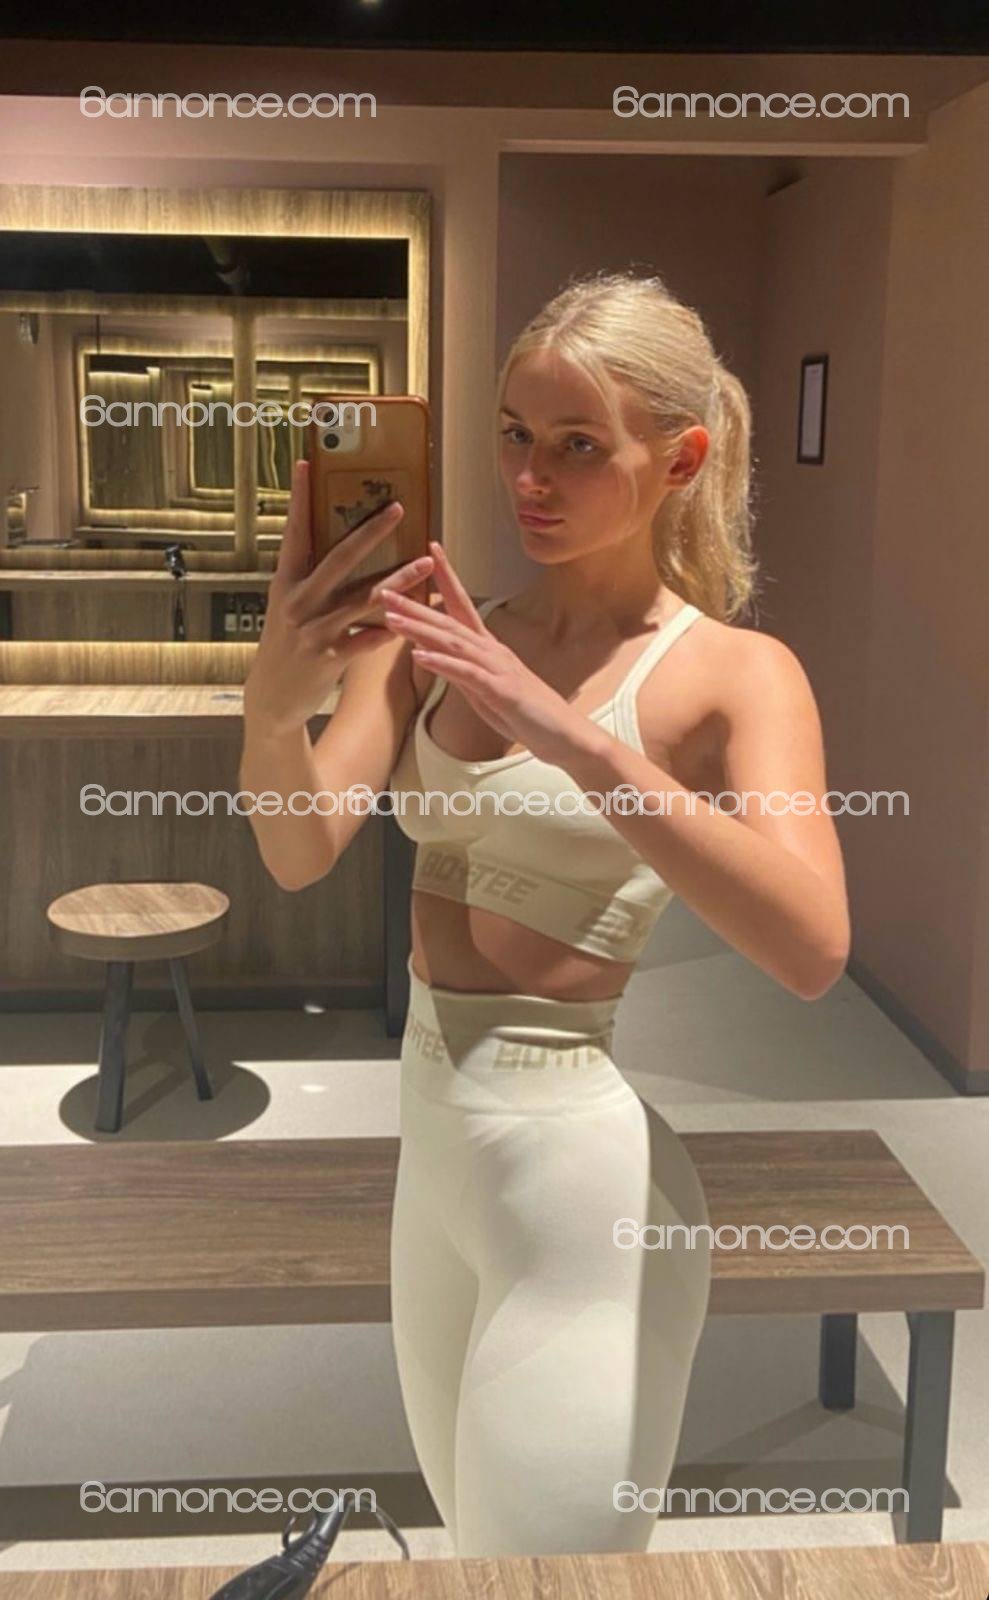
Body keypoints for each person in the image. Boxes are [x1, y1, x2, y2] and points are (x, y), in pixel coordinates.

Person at [240, 269, 851, 1558]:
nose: (530, 477)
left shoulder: (736, 674)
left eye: (579, 445)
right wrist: (270, 708)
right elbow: (299, 850)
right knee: (474, 1557)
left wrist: (572, 736)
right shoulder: (436, 636)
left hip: (583, 1198)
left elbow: (812, 948)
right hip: (433, 1166)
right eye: (516, 433)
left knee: (543, 1581)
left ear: (680, 459)